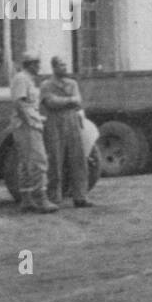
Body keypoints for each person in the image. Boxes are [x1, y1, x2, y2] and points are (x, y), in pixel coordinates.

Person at [40, 55, 93, 208]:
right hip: (54, 123)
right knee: (55, 160)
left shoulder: (72, 83)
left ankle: (81, 196)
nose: (65, 68)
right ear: (54, 67)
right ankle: (54, 197)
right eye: (61, 65)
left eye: (65, 65)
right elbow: (50, 102)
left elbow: (78, 100)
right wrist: (69, 101)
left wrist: (64, 101)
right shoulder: (46, 85)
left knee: (78, 159)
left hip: (72, 122)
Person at [9, 52, 57, 212]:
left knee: (26, 162)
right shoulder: (22, 78)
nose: (39, 67)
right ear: (30, 64)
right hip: (27, 125)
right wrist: (30, 121)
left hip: (28, 123)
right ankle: (41, 199)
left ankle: (27, 199)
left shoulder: (26, 79)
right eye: (36, 64)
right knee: (38, 161)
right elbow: (19, 103)